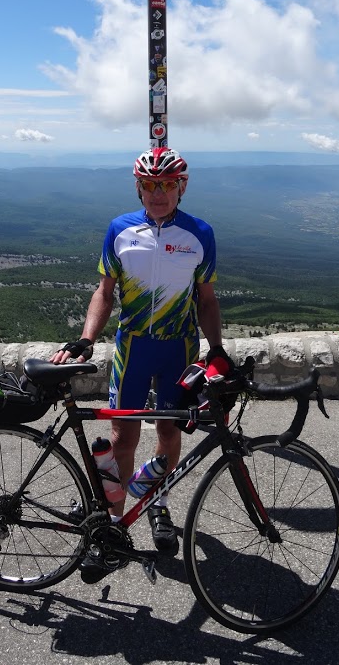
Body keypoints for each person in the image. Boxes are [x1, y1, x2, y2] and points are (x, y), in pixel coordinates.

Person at [51, 147, 231, 578]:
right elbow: (104, 292)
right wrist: (85, 338)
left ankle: (157, 502)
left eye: (167, 185)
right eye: (149, 185)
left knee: (169, 430)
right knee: (122, 435)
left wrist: (217, 349)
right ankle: (113, 521)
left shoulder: (199, 234)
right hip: (132, 347)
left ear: (181, 188)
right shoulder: (120, 229)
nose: (157, 193)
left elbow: (206, 300)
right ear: (138, 187)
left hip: (178, 348)